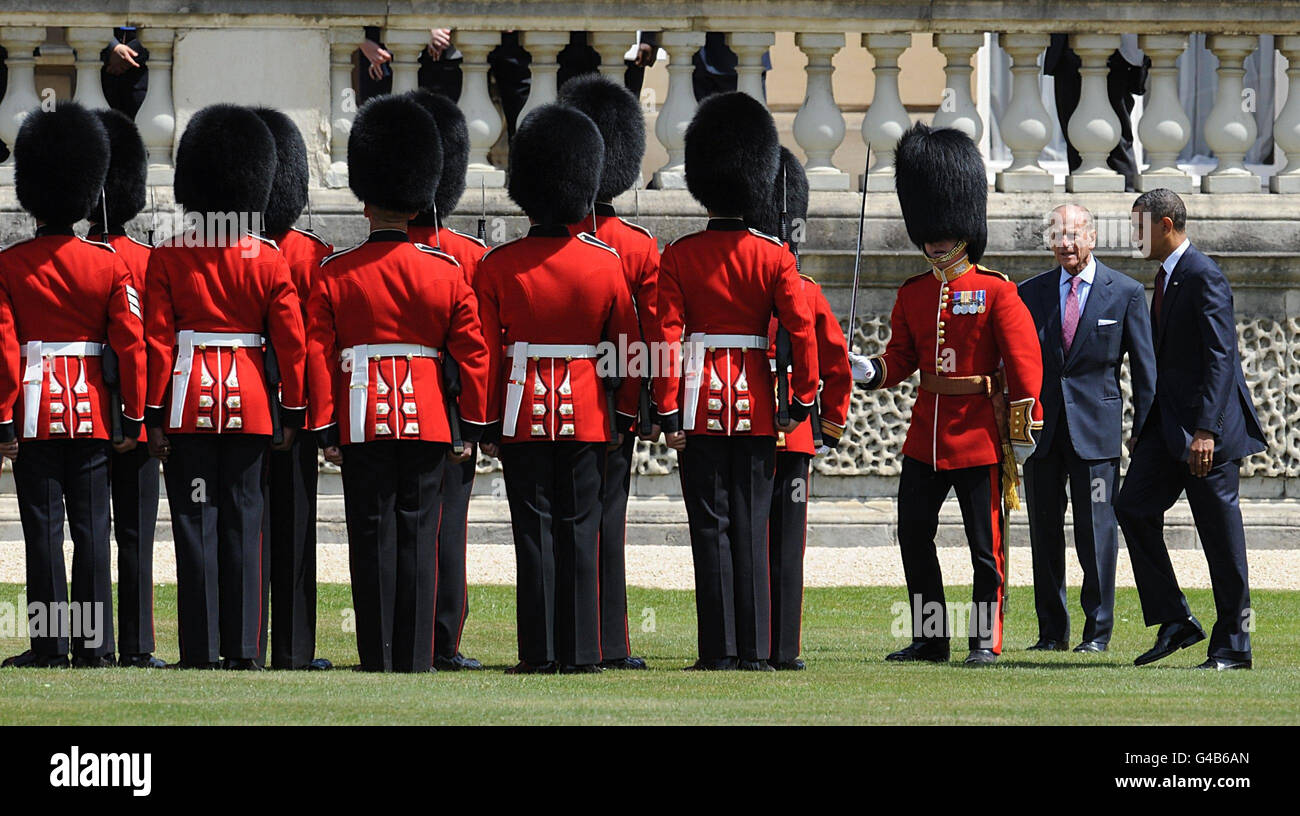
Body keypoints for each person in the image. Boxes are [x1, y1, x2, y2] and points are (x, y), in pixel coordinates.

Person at [308, 94, 490, 673]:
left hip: (361, 417)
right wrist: (473, 425)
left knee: (369, 533)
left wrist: (326, 425)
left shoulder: (335, 272)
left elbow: (318, 354)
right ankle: (415, 654)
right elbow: (473, 354)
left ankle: (376, 652)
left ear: (366, 204)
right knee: (420, 534)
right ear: (417, 201)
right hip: (430, 419)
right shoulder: (446, 271)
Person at [850, 122, 1043, 666]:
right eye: (928, 234)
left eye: (942, 233)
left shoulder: (995, 291)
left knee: (987, 550)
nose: (934, 243)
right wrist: (869, 370)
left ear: (964, 226)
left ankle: (985, 639)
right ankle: (931, 637)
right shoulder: (913, 293)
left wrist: (1023, 432)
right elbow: (902, 360)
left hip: (980, 436)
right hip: (926, 438)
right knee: (914, 535)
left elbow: (1026, 365)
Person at [474, 103, 641, 674]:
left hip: (521, 411)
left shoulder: (498, 265)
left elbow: (487, 354)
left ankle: (539, 651)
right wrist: (624, 415)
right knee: (582, 530)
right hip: (590, 412)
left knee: (533, 532)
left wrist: (486, 422)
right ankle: (583, 651)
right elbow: (627, 349)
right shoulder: (605, 263)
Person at [655, 92, 817, 671]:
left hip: (698, 403)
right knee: (752, 522)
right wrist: (799, 398)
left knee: (709, 524)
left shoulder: (679, 255)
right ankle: (755, 648)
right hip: (754, 404)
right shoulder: (774, 256)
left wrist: (668, 410)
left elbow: (666, 336)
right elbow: (800, 332)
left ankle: (717, 648)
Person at [144, 104, 306, 670]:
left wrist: (154, 413)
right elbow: (290, 342)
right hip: (251, 406)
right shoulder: (267, 258)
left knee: (196, 520)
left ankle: (200, 648)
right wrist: (292, 409)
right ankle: (243, 648)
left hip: (187, 406)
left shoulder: (168, 253)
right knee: (244, 519)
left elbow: (158, 342)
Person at [0, 102, 146, 669]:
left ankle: (49, 643)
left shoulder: (10, 265)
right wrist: (132, 415)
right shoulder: (109, 264)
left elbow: (5, 349)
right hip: (91, 415)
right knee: (92, 532)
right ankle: (96, 645)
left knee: (42, 534)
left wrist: (3, 418)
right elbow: (130, 344)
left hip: (35, 414)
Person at [1114, 188, 1265, 671]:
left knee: (1221, 540)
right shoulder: (1164, 279)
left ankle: (1234, 647)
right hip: (1167, 428)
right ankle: (1176, 619)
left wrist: (1206, 431)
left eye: (1139, 226)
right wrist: (1148, 425)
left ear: (1165, 224)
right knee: (1131, 506)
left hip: (1207, 433)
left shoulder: (1204, 275)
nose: (1133, 236)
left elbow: (1222, 360)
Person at [1017, 203, 1156, 654]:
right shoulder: (1029, 293)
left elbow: (1145, 373)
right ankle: (1050, 633)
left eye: (1074, 235)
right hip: (1042, 434)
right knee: (1044, 533)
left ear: (1093, 237)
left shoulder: (1127, 292)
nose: (1066, 244)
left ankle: (1096, 634)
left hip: (1096, 435)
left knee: (1096, 534)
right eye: (1057, 235)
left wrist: (1144, 432)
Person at [557, 73, 660, 670]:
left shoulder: (552, 240)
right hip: (609, 403)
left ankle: (565, 636)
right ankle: (607, 642)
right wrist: (637, 405)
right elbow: (645, 338)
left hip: (552, 400)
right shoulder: (637, 246)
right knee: (605, 524)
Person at [749, 147, 852, 671]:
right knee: (766, 541)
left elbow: (836, 363)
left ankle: (779, 646)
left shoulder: (803, 291)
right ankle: (766, 645)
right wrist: (826, 425)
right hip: (766, 429)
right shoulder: (785, 286)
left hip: (774, 432)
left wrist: (827, 424)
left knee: (781, 546)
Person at [404, 88, 490, 672]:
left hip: (382, 407)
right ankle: (440, 640)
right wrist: (474, 424)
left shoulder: (371, 254)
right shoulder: (469, 255)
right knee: (444, 532)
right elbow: (480, 350)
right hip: (448, 411)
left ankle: (396, 636)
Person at [84, 108, 166, 669]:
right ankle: (136, 644)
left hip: (80, 412)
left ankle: (90, 640)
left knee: (88, 534)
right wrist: (145, 418)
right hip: (131, 419)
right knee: (134, 535)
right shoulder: (148, 260)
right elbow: (156, 346)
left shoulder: (76, 256)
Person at [253, 107, 334, 672]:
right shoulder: (313, 253)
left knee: (247, 527)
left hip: (241, 403)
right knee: (294, 530)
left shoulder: (228, 248)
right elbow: (312, 345)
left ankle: (245, 643)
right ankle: (294, 649)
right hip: (293, 407)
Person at [1044, 34, 1149, 191]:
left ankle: (1136, 209)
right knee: (1077, 144)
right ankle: (1084, 210)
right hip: (1068, 46)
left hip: (1114, 47)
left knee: (1117, 143)